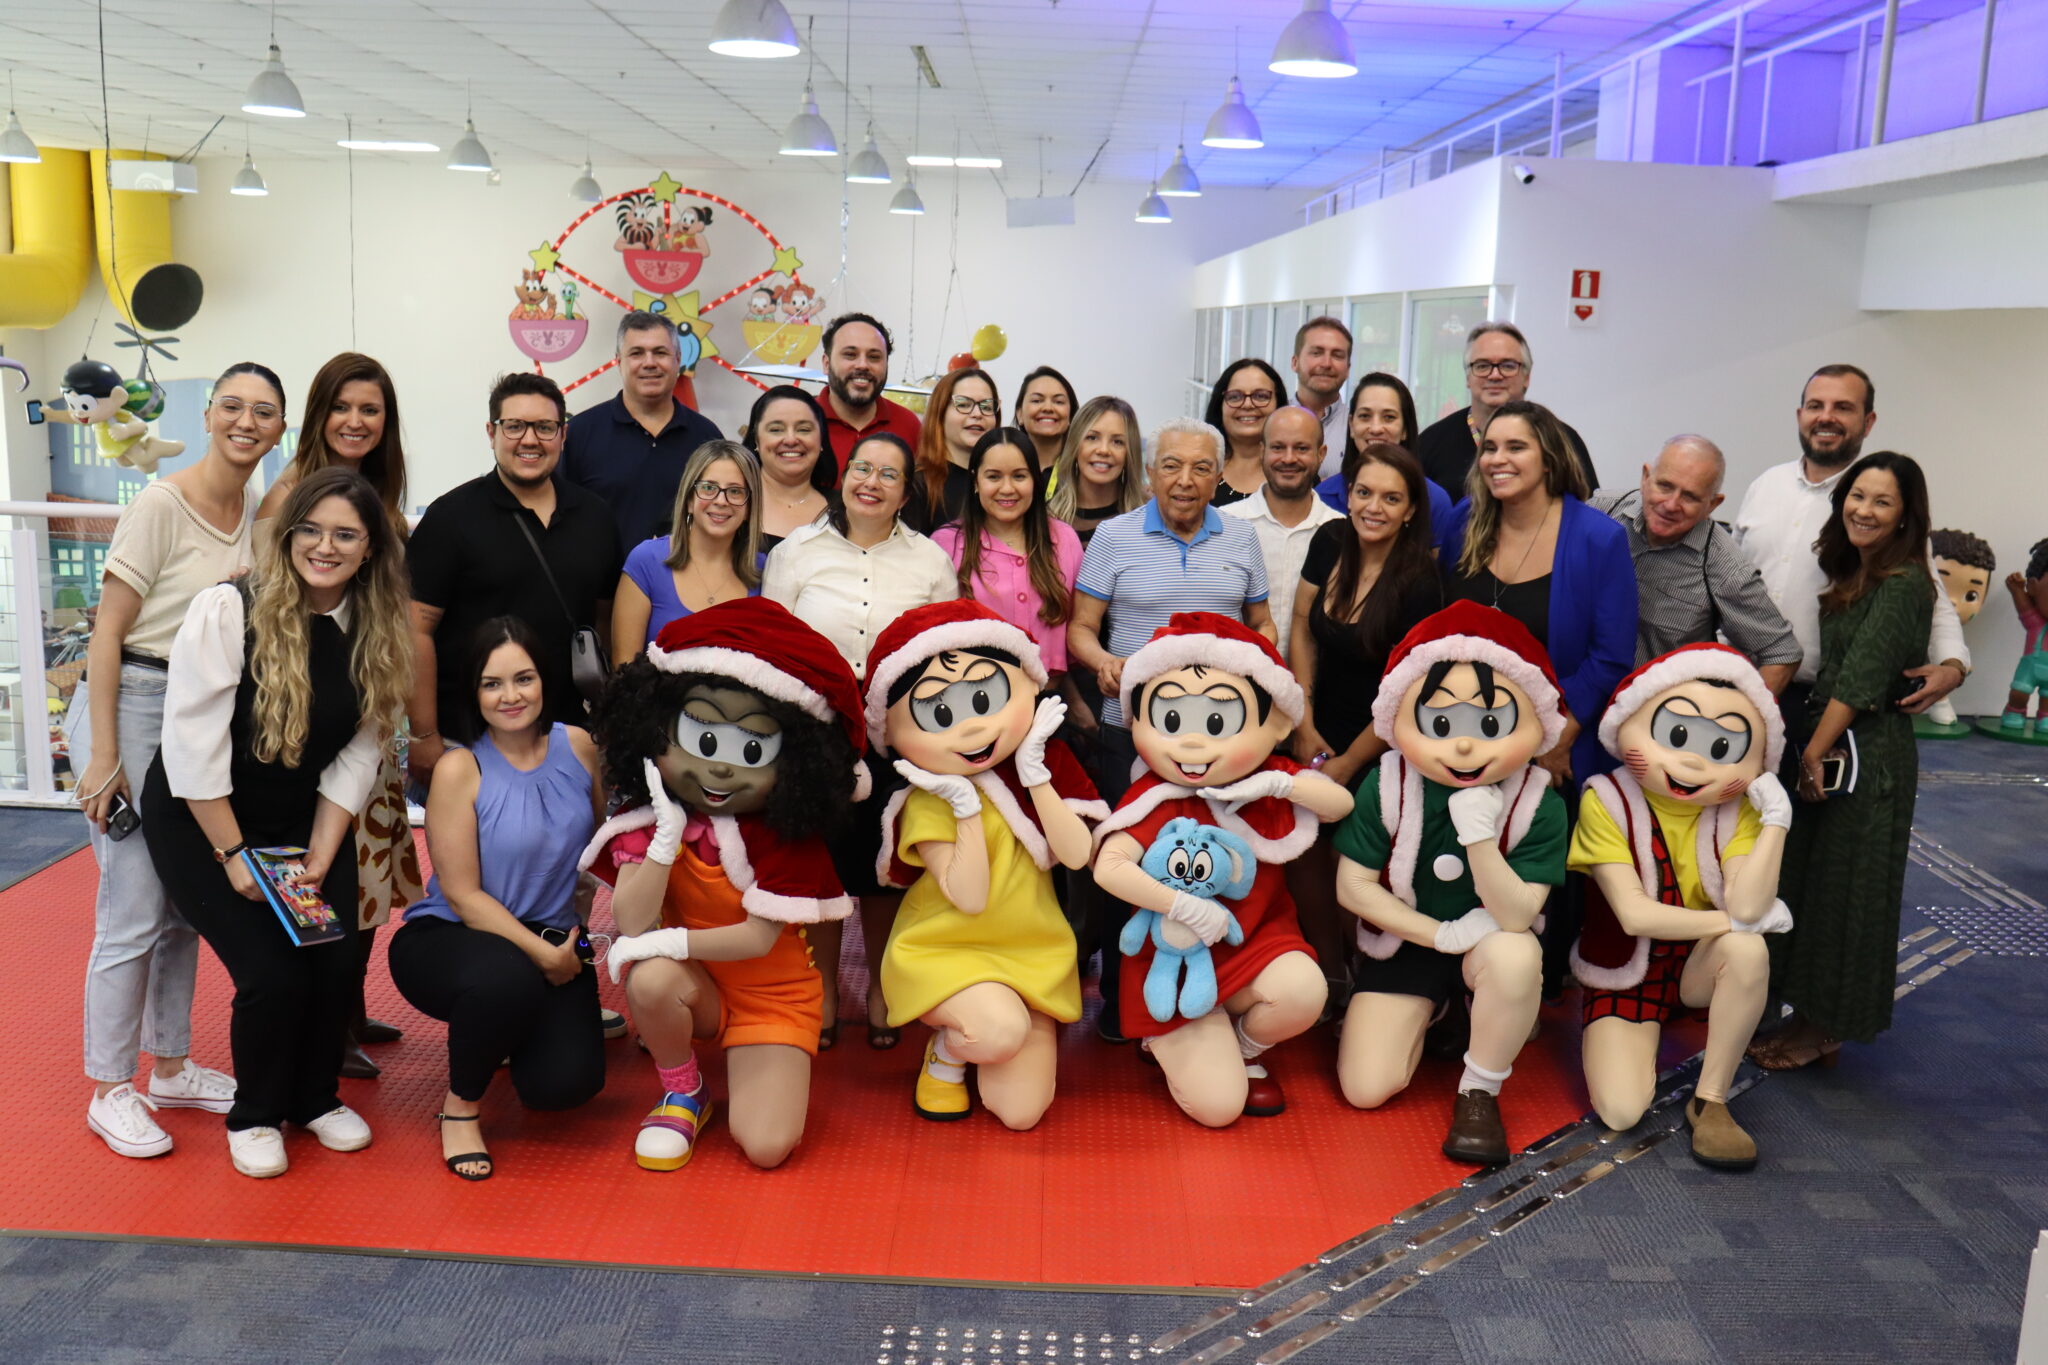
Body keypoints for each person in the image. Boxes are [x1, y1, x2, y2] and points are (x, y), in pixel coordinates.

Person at [141, 467, 414, 1178]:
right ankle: (257, 1113)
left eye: (345, 534)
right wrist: (232, 855)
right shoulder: (228, 609)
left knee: (335, 957)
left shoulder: (376, 627)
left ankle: (313, 1099)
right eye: (311, 529)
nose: (325, 546)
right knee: (270, 972)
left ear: (369, 550)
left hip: (301, 815)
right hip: (202, 814)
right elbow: (192, 749)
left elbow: (360, 746)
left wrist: (323, 851)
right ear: (289, 534)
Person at [68, 361, 279, 1160]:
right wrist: (104, 755)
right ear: (211, 412)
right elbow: (107, 633)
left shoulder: (254, 513)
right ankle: (108, 1086)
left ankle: (171, 1065)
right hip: (134, 701)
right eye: (232, 405)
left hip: (198, 713)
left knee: (184, 903)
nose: (245, 421)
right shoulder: (160, 503)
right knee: (131, 907)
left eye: (264, 411)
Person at [589, 600, 868, 1169]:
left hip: (773, 998)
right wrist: (666, 840)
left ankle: (755, 1063)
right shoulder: (652, 821)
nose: (719, 769)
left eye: (751, 749)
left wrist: (670, 942)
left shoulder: (786, 834)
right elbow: (632, 923)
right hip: (699, 988)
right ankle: (683, 1089)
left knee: (767, 1148)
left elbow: (759, 940)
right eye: (702, 739)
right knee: (650, 979)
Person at [1332, 603, 1569, 1164]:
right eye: (1441, 723)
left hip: (1491, 940)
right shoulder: (1385, 783)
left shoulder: (1538, 800)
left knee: (1515, 956)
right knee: (1366, 1089)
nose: (1464, 745)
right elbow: (1353, 888)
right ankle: (1446, 1009)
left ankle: (1480, 1089)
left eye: (1490, 724)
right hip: (1409, 942)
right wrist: (1437, 936)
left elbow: (1516, 916)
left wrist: (1479, 836)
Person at [1092, 613, 1353, 1123]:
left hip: (1254, 946)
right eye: (1171, 720)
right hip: (1173, 958)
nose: (1193, 742)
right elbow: (1109, 867)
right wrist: (1181, 905)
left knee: (1305, 990)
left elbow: (1338, 803)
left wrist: (1279, 785)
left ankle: (1243, 1047)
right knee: (1219, 1108)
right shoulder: (1157, 795)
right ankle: (1178, 1040)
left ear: (1275, 723)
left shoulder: (1267, 779)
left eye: (1216, 721)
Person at [1067, 419, 1275, 1035]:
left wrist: (1252, 662)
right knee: (1125, 864)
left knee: (1213, 862)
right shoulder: (1113, 535)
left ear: (1220, 476)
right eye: (1172, 466)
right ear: (1151, 471)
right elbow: (1081, 628)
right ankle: (1120, 1000)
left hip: (1221, 743)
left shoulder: (1241, 539)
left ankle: (1210, 992)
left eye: (1201, 468)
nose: (1186, 481)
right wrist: (1103, 661)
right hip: (1128, 734)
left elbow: (1262, 624)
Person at [866, 602, 1103, 1126]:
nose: (971, 728)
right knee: (997, 1032)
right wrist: (966, 806)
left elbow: (1077, 855)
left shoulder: (1044, 768)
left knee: (1022, 1112)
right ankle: (947, 1054)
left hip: (1031, 955)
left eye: (984, 697)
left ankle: (996, 1027)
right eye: (940, 714)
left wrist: (1037, 774)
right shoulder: (927, 798)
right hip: (947, 953)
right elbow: (969, 897)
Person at [387, 617, 607, 1180]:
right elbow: (461, 894)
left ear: (544, 680)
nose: (511, 696)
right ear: (474, 692)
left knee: (564, 1088)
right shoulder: (461, 768)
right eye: (492, 684)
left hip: (551, 938)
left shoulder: (579, 747)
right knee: (506, 978)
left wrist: (579, 938)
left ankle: (504, 1029)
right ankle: (460, 1108)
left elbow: (600, 850)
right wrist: (545, 953)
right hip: (454, 936)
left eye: (523, 679)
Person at [256, 351, 422, 1077]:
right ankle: (323, 1029)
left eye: (371, 409)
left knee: (367, 883)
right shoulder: (292, 492)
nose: (356, 421)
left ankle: (347, 1011)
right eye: (343, 407)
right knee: (325, 878)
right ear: (319, 413)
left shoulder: (380, 495)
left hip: (370, 715)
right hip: (309, 716)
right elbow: (265, 604)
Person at [762, 432, 955, 1049]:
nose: (870, 481)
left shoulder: (929, 560)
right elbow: (776, 646)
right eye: (861, 469)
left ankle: (879, 984)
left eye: (888, 475)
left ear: (906, 493)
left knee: (884, 865)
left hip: (897, 737)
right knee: (820, 866)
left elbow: (944, 651)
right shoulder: (796, 552)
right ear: (842, 476)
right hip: (814, 733)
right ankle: (820, 992)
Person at [1569, 644, 1794, 1169]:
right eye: (1676, 734)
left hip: (1696, 967)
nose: (1693, 759)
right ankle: (1641, 1031)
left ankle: (1710, 1098)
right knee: (1623, 1111)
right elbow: (1634, 914)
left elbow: (1750, 901)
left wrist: (1777, 821)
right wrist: (1738, 921)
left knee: (1747, 951)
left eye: (1723, 746)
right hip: (1627, 974)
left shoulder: (1737, 812)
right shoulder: (1606, 798)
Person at [1753, 452, 1936, 1071]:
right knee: (1813, 886)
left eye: (1882, 502)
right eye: (1858, 496)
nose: (1864, 510)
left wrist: (1811, 753)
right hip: (1836, 747)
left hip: (1868, 758)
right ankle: (1806, 1015)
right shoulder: (1856, 570)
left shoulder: (1907, 582)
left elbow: (1861, 680)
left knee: (1852, 893)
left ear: (1907, 516)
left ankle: (1824, 1031)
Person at [406, 373, 622, 786]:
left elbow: (605, 627)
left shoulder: (595, 517)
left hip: (567, 739)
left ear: (563, 434)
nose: (530, 439)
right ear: (492, 432)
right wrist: (424, 734)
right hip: (465, 741)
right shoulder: (451, 517)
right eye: (515, 426)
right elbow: (414, 631)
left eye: (544, 427)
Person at [1288, 443, 1446, 985]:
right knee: (1301, 857)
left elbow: (1407, 692)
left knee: (1348, 873)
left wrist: (1350, 762)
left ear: (1410, 511)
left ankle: (1368, 978)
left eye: (1391, 498)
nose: (1373, 507)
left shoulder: (1420, 583)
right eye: (1363, 492)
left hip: (1379, 741)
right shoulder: (1330, 540)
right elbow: (1303, 624)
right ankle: (1330, 975)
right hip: (1317, 727)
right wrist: (1303, 720)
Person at [1733, 365, 1969, 722]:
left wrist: (1953, 667)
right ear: (1800, 415)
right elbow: (1729, 581)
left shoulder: (1877, 510)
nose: (1826, 417)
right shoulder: (1765, 486)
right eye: (1816, 406)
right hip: (1738, 685)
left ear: (1868, 421)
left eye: (1843, 407)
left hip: (1820, 706)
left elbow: (1930, 598)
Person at [1440, 400, 1635, 792]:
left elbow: (1610, 658)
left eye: (1515, 447)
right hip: (1460, 731)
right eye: (1490, 448)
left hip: (1553, 741)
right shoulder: (1464, 520)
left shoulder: (1599, 538)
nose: (1498, 459)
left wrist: (1557, 735)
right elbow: (1440, 621)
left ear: (1548, 459)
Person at [1592, 436, 1800, 689]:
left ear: (1712, 504)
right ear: (1646, 478)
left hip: (1653, 715)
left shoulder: (1725, 568)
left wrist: (1733, 721)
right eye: (1665, 486)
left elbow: (1782, 653)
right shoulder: (1600, 512)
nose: (1670, 505)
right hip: (1575, 694)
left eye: (1689, 497)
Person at [560, 310, 725, 549]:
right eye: (636, 353)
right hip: (602, 584)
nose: (649, 363)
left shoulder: (707, 437)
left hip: (686, 582)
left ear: (678, 359)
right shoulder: (579, 433)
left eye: (660, 352)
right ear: (618, 361)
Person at [931, 427, 1083, 682]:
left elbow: (1080, 627)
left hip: (1050, 698)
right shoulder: (946, 543)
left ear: (1035, 479)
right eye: (993, 476)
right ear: (976, 482)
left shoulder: (1064, 539)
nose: (1007, 488)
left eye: (1019, 476)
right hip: (973, 700)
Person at [610, 440, 763, 662]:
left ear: (750, 506)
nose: (721, 501)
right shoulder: (646, 561)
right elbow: (623, 672)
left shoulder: (765, 571)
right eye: (708, 488)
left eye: (735, 491)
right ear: (689, 499)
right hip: (652, 696)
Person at [1414, 322, 1597, 500]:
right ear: (1468, 377)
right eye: (1482, 366)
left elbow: (1588, 508)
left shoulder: (1562, 439)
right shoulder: (1430, 443)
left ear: (1527, 377)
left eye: (1507, 366)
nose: (1494, 375)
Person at [1222, 407, 1341, 665]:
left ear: (1321, 454)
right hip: (1237, 688)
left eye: (1301, 448)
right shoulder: (1225, 524)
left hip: (1317, 694)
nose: (1289, 458)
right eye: (1278, 447)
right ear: (1262, 451)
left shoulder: (1341, 532)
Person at [1313, 373, 1453, 535]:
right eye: (1365, 416)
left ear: (1405, 429)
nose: (1376, 428)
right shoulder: (1323, 495)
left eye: (1388, 417)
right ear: (1351, 425)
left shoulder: (1434, 500)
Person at [817, 312, 922, 474]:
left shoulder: (909, 425)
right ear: (826, 363)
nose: (862, 365)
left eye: (874, 357)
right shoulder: (804, 422)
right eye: (850, 355)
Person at [741, 384, 835, 552]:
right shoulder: (730, 501)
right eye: (776, 430)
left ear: (821, 439)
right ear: (756, 439)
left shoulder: (845, 511)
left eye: (804, 429)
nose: (791, 440)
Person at [1046, 395, 1146, 546]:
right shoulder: (1047, 520)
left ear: (1130, 452)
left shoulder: (1149, 517)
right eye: (1092, 438)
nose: (1104, 450)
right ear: (1075, 445)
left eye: (1117, 442)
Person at [915, 367, 1001, 525]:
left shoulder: (1003, 483)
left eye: (987, 407)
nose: (977, 414)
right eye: (963, 404)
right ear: (940, 412)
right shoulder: (916, 484)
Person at [1202, 358, 1284, 507]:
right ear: (1219, 406)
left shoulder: (1298, 471)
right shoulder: (1197, 469)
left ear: (1279, 404)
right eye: (1235, 397)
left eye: (1261, 396)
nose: (1247, 405)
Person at [1287, 317, 1353, 465]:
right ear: (1295, 363)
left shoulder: (1358, 430)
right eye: (1316, 353)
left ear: (1348, 369)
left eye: (1337, 355)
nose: (1326, 364)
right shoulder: (1270, 420)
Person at [1015, 366, 1077, 473]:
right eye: (1037, 400)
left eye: (1058, 402)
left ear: (1071, 415)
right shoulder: (1004, 468)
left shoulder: (1082, 471)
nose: (1048, 408)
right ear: (1019, 414)